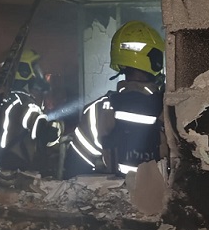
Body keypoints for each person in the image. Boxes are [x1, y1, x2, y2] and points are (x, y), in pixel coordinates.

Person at [64, 20, 166, 177]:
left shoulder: (98, 111)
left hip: (115, 193)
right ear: (156, 60)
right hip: (161, 193)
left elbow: (75, 168)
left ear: (120, 63)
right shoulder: (172, 110)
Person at [0, 48, 61, 172]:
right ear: (24, 71)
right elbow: (32, 118)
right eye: (35, 68)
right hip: (14, 167)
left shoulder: (6, 98)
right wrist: (50, 129)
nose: (38, 73)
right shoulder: (23, 101)